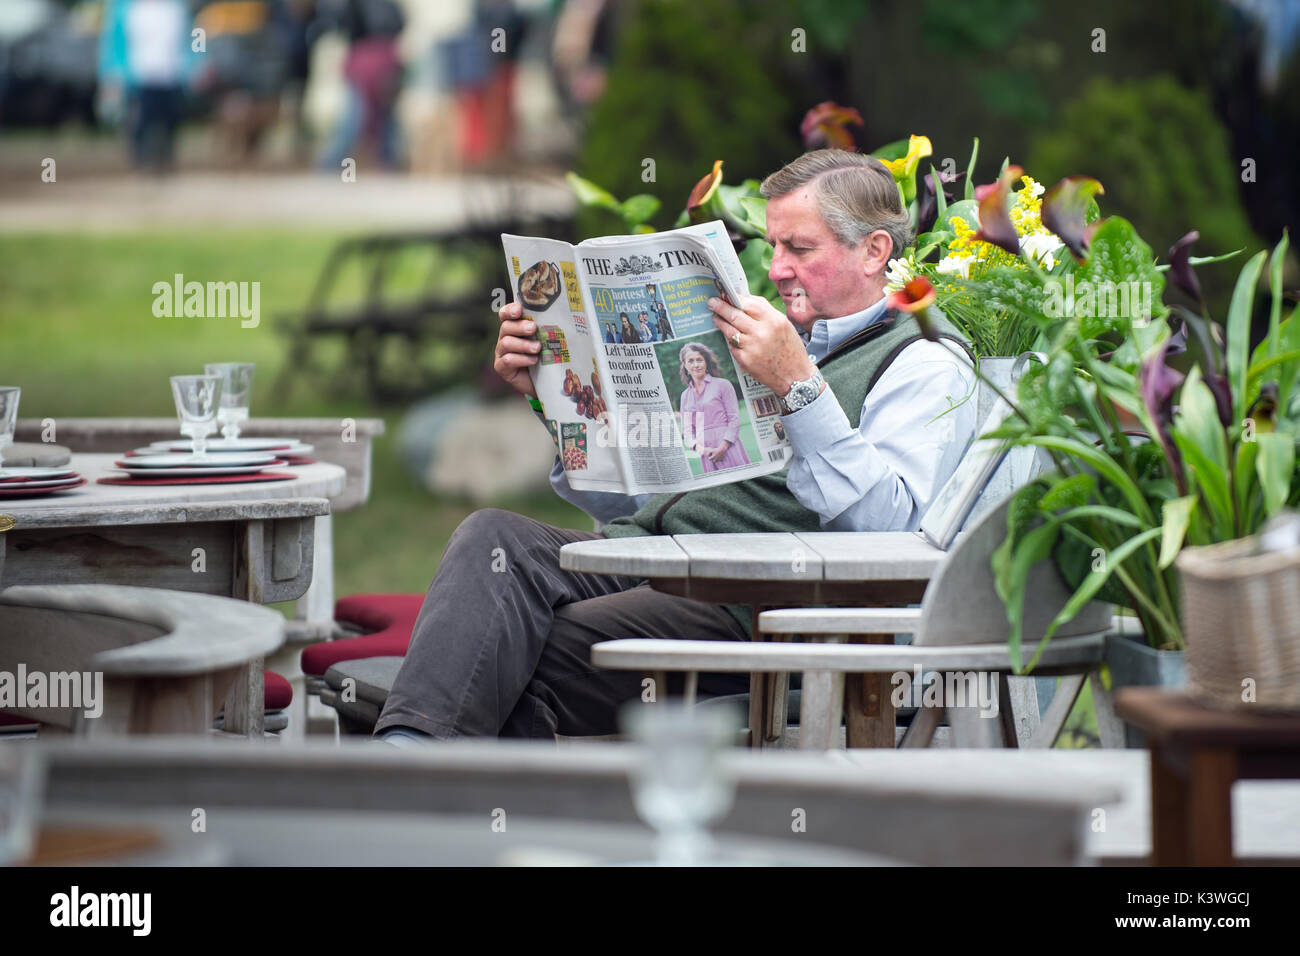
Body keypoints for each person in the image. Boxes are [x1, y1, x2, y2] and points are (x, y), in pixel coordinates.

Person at [376, 149, 978, 744]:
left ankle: (409, 762)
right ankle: (415, 757)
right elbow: (643, 499)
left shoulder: (923, 361)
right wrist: (553, 402)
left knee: (519, 641)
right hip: (654, 558)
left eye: (800, 248)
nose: (779, 269)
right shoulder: (765, 338)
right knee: (493, 538)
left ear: (874, 251)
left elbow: (893, 533)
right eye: (775, 248)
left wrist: (800, 387)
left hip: (755, 602)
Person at [678, 342, 752, 472]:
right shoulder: (685, 396)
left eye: (699, 360)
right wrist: (703, 451)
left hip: (728, 446)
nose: (695, 365)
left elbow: (734, 419)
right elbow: (687, 432)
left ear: (706, 362)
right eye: (690, 361)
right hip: (706, 454)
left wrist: (722, 448)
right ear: (685, 365)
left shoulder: (723, 385)